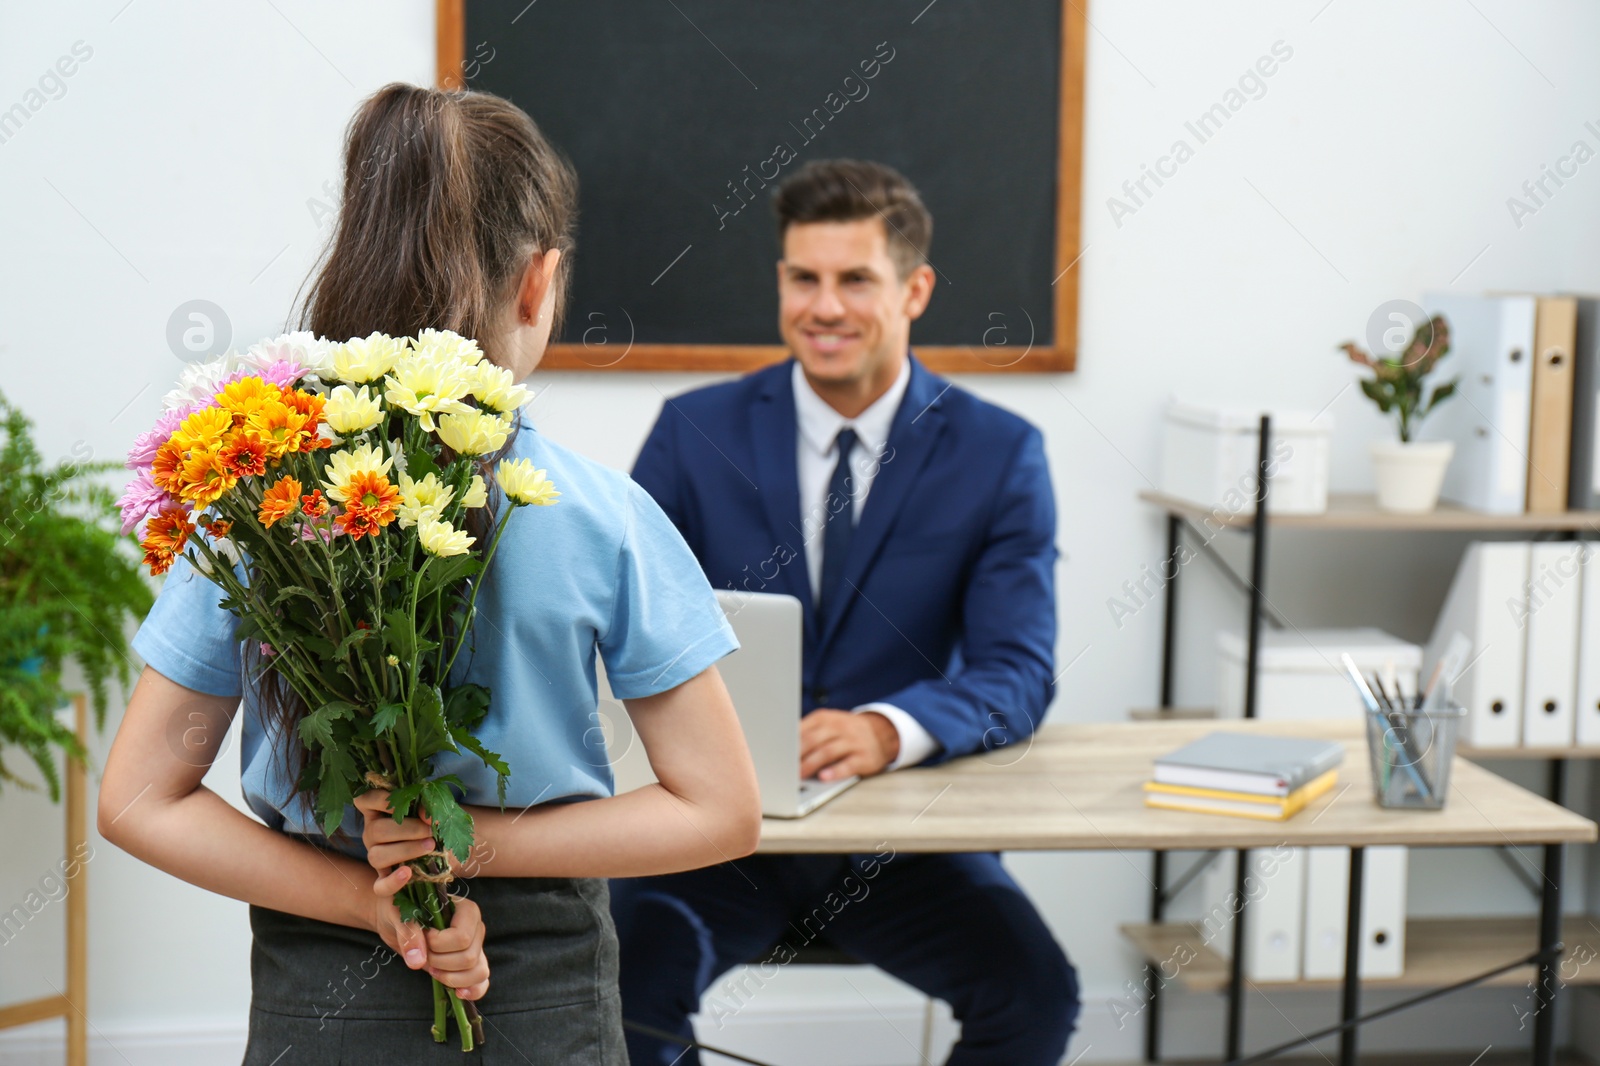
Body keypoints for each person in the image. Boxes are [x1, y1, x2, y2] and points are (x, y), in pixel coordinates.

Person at [99, 83, 761, 1065]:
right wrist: (478, 845)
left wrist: (374, 902)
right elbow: (722, 810)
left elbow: (137, 799)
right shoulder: (602, 517)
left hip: (320, 979)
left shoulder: (262, 509)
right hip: (544, 987)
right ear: (540, 283)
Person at [611, 159, 1080, 1065]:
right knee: (623, 1000)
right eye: (803, 278)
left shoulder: (1000, 455)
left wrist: (886, 729)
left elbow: (1018, 671)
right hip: (716, 839)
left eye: (854, 280)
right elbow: (622, 627)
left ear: (916, 290)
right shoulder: (690, 432)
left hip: (902, 846)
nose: (823, 307)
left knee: (1037, 999)